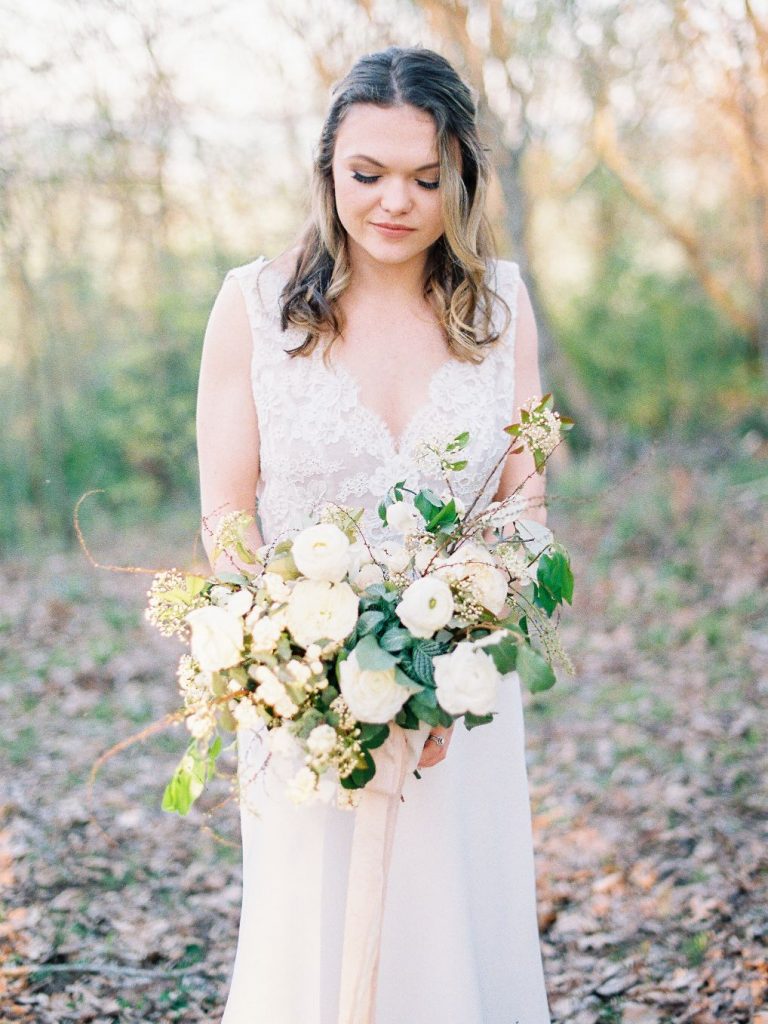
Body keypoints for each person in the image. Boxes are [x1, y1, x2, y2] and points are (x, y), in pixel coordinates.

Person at [196, 44, 552, 1024]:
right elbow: (227, 513)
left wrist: (462, 642)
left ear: (462, 179)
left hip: (462, 689)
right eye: (368, 174)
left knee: (452, 937)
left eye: (427, 178)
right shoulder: (255, 309)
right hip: (306, 696)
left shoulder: (501, 307)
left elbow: (526, 500)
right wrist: (289, 657)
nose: (396, 201)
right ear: (327, 171)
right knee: (317, 949)